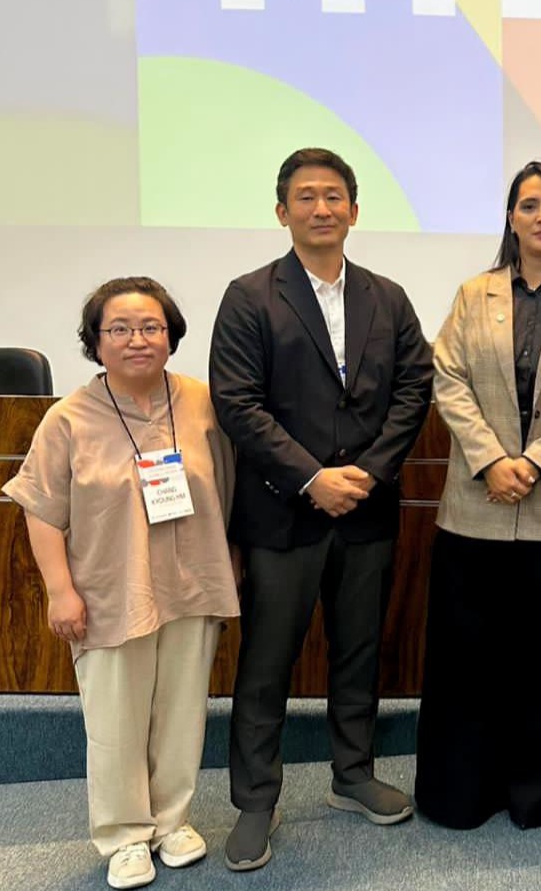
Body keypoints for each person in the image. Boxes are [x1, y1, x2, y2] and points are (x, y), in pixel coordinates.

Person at [209, 148, 432, 870]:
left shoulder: (388, 297)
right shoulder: (250, 296)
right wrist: (312, 477)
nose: (321, 208)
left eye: (334, 196)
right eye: (305, 196)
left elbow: (414, 388)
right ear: (282, 212)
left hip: (366, 508)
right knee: (267, 662)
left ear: (355, 211)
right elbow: (237, 401)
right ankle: (255, 801)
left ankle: (353, 774)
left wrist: (367, 473)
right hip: (284, 512)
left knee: (359, 650)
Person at [2, 277, 239, 890]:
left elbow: (231, 486)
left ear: (171, 336)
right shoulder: (68, 418)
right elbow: (40, 509)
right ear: (96, 341)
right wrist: (60, 590)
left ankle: (172, 822)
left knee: (181, 712)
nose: (138, 339)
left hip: (192, 583)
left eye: (151, 327)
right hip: (110, 588)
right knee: (115, 721)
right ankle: (125, 835)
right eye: (121, 329)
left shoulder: (204, 402)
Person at [414, 161, 541, 829]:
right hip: (477, 507)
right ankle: (467, 791)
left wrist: (533, 463)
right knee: (471, 661)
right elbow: (448, 379)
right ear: (511, 217)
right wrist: (492, 461)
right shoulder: (474, 294)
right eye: (529, 205)